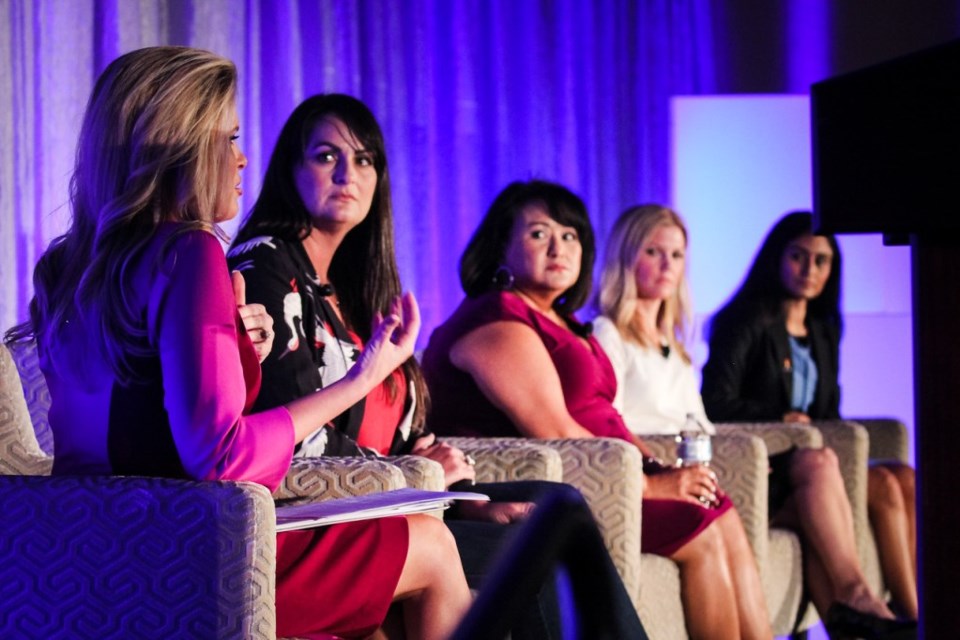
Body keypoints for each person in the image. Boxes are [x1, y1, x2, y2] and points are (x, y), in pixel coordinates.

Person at [6, 46, 471, 640]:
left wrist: (233, 346)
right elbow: (219, 456)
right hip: (191, 553)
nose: (242, 157)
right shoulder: (190, 249)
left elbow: (129, 410)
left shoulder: (66, 264)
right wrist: (361, 378)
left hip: (91, 552)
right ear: (182, 145)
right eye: (227, 139)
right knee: (431, 545)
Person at [225, 94, 647, 639]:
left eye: (364, 160)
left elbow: (411, 431)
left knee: (553, 502)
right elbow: (292, 434)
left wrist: (453, 492)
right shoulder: (265, 267)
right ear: (290, 168)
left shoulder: (358, 288)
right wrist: (424, 484)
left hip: (391, 496)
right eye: (327, 156)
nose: (348, 174)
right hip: (329, 514)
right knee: (540, 551)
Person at [423, 180, 773, 640]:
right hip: (573, 483)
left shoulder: (560, 319)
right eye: (538, 234)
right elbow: (553, 430)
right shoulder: (499, 319)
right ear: (501, 246)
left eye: (570, 236)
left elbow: (607, 414)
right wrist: (649, 482)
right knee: (699, 527)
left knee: (720, 511)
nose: (559, 248)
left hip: (611, 471)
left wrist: (655, 461)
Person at [594, 205, 917, 637]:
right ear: (626, 256)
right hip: (663, 469)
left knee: (880, 481)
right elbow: (605, 421)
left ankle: (875, 610)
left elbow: (702, 423)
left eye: (676, 255)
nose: (667, 265)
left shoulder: (674, 342)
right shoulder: (607, 334)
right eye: (653, 251)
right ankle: (859, 601)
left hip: (711, 465)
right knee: (811, 473)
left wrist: (735, 456)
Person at [701, 211, 918, 623]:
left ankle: (916, 613)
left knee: (901, 478)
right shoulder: (744, 320)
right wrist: (779, 416)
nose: (809, 270)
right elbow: (714, 403)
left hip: (818, 456)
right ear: (776, 258)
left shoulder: (824, 328)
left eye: (822, 260)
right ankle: (889, 612)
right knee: (878, 485)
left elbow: (828, 413)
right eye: (798, 256)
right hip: (768, 463)